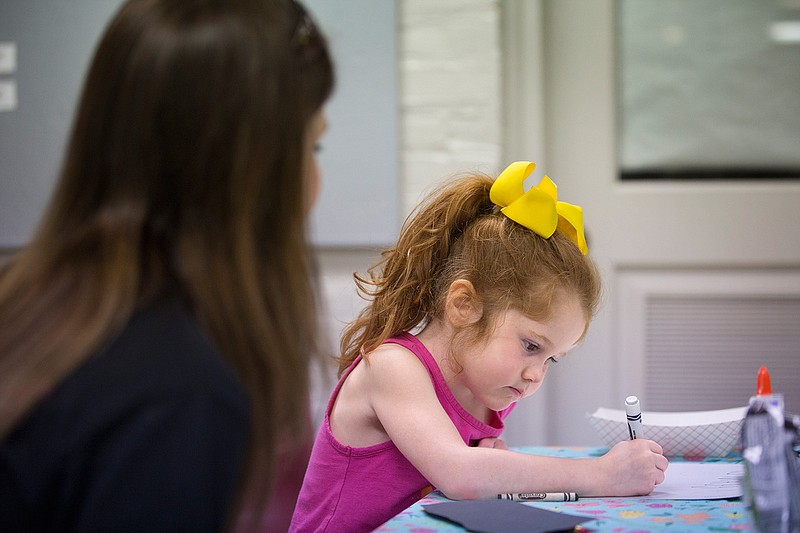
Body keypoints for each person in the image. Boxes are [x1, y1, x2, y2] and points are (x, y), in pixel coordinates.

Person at [0, 0, 333, 531]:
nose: (315, 181)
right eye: (312, 145)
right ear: (248, 170)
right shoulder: (179, 397)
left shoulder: (23, 302)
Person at [290, 161, 669, 532]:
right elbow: (460, 475)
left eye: (552, 358)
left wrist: (492, 472)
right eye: (531, 345)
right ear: (464, 305)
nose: (537, 374)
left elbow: (467, 479)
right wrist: (602, 474)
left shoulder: (483, 388)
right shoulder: (392, 367)